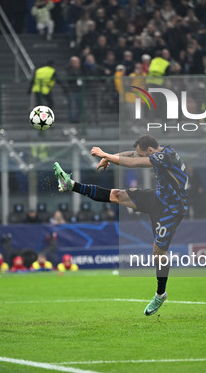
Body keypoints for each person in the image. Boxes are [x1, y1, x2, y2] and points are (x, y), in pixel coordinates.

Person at [53, 134, 188, 316]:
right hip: (157, 198)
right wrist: (109, 157)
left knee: (158, 253)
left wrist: (106, 154)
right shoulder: (157, 152)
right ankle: (70, 184)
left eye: (142, 154)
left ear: (149, 151)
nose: (138, 155)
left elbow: (134, 163)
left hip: (171, 209)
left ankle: (160, 293)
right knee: (116, 195)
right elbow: (132, 156)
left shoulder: (167, 156)